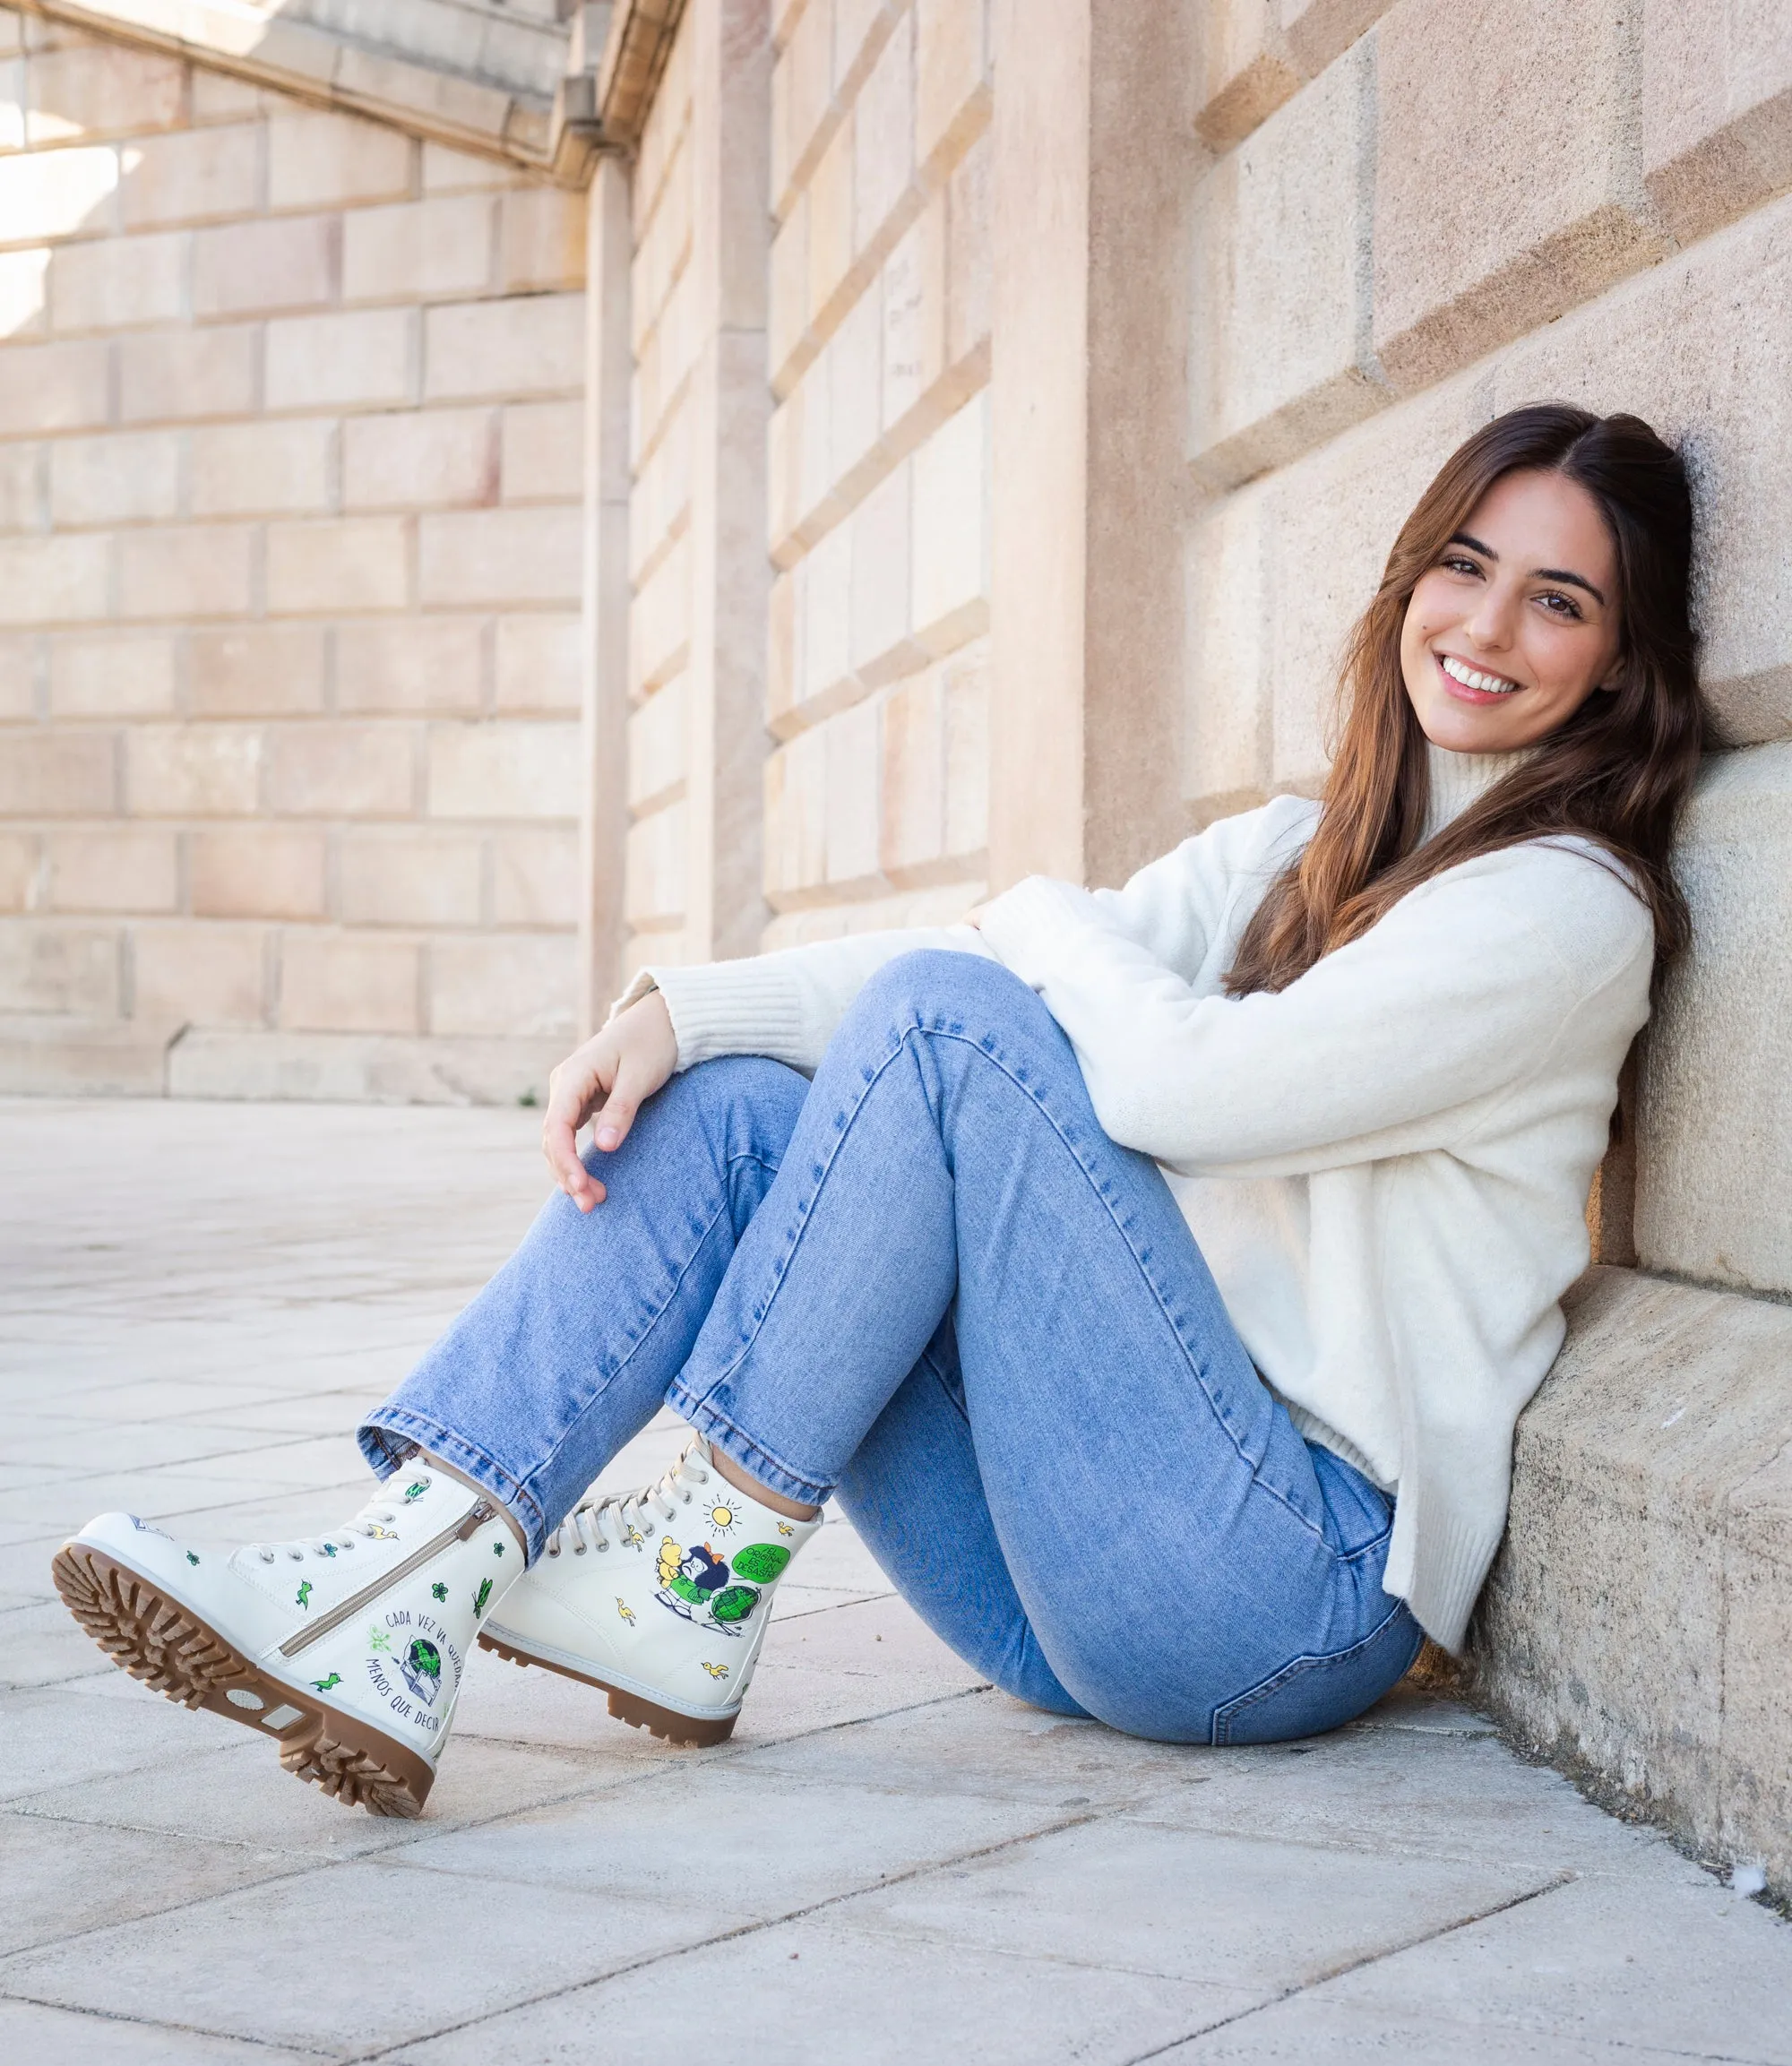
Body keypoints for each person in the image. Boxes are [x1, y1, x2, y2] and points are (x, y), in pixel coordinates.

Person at [55, 404, 1710, 1819]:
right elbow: (986, 969)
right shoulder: (1299, 852)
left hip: (1275, 1595)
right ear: (1409, 581)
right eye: (1464, 568)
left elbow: (1170, 1086)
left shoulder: (1565, 912)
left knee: (952, 1024)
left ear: (1621, 662)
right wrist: (678, 1011)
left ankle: (691, 1568)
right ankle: (400, 1592)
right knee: (742, 1103)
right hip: (1059, 1578)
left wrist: (1038, 916)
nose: (1486, 629)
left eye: (1557, 601)